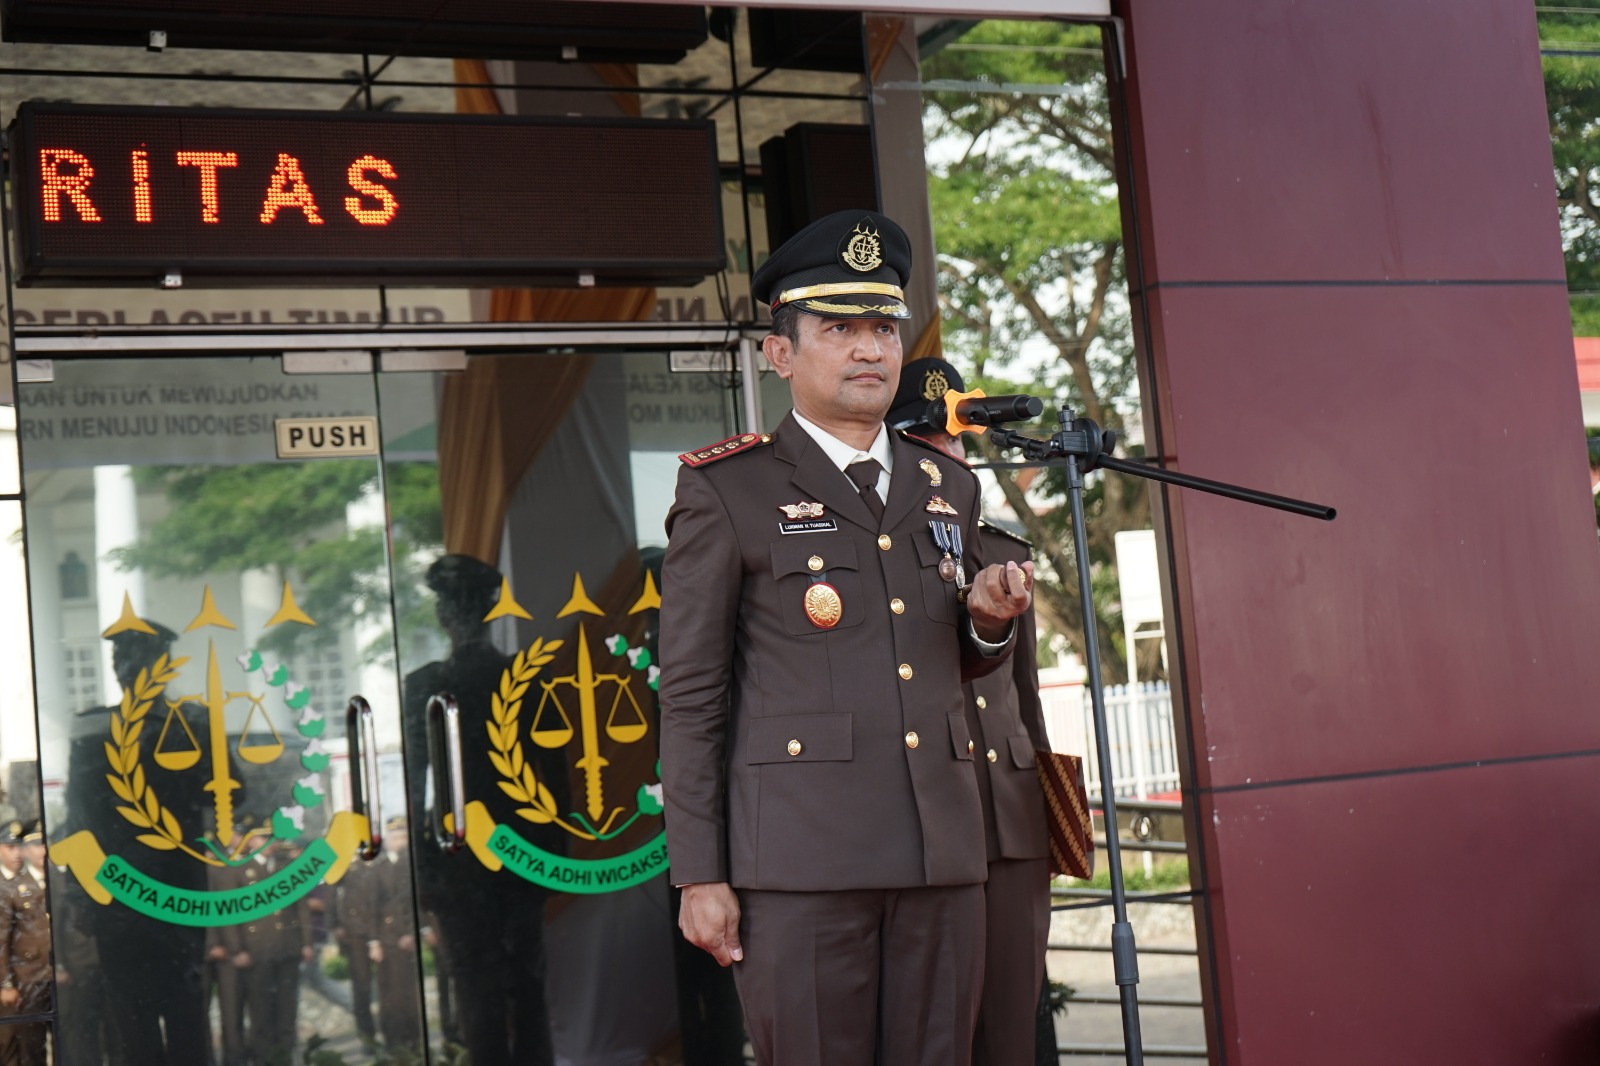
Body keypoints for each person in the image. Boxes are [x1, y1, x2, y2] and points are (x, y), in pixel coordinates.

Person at [659, 209, 1035, 1066]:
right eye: (840, 330)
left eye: (882, 328)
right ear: (781, 353)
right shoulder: (729, 490)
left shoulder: (949, 484)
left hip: (943, 854)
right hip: (800, 865)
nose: (871, 350)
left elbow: (961, 664)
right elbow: (689, 693)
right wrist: (698, 872)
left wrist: (985, 621)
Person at [890, 359, 1054, 1066]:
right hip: (928, 820)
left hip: (1012, 819)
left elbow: (1027, 698)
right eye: (930, 444)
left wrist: (1054, 813)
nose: (950, 457)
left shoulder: (1002, 551)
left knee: (1013, 1025)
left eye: (955, 443)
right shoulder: (881, 554)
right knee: (934, 1032)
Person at [0, 820, 50, 1066]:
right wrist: (6, 982)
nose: (17, 853)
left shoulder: (54, 880)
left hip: (48, 976)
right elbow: (2, 940)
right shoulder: (10, 889)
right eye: (10, 847)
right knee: (19, 1045)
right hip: (23, 977)